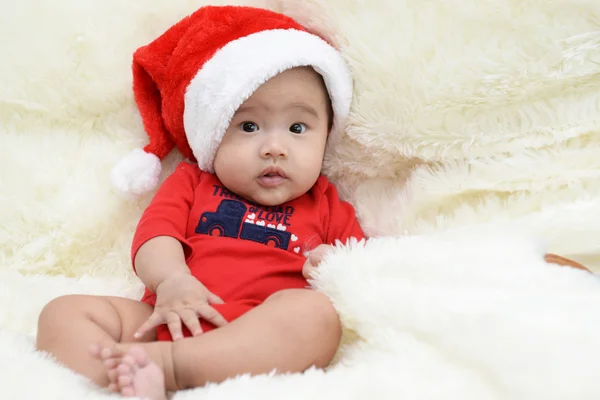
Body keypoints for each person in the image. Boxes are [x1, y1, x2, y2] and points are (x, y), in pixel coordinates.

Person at [35, 6, 364, 400]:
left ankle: (170, 367)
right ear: (212, 134)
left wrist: (331, 262)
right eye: (248, 126)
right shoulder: (193, 182)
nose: (273, 148)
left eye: (297, 128)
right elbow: (155, 236)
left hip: (257, 332)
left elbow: (361, 269)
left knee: (316, 317)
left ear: (325, 136)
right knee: (64, 312)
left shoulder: (327, 203)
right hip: (171, 316)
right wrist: (172, 280)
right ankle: (121, 381)